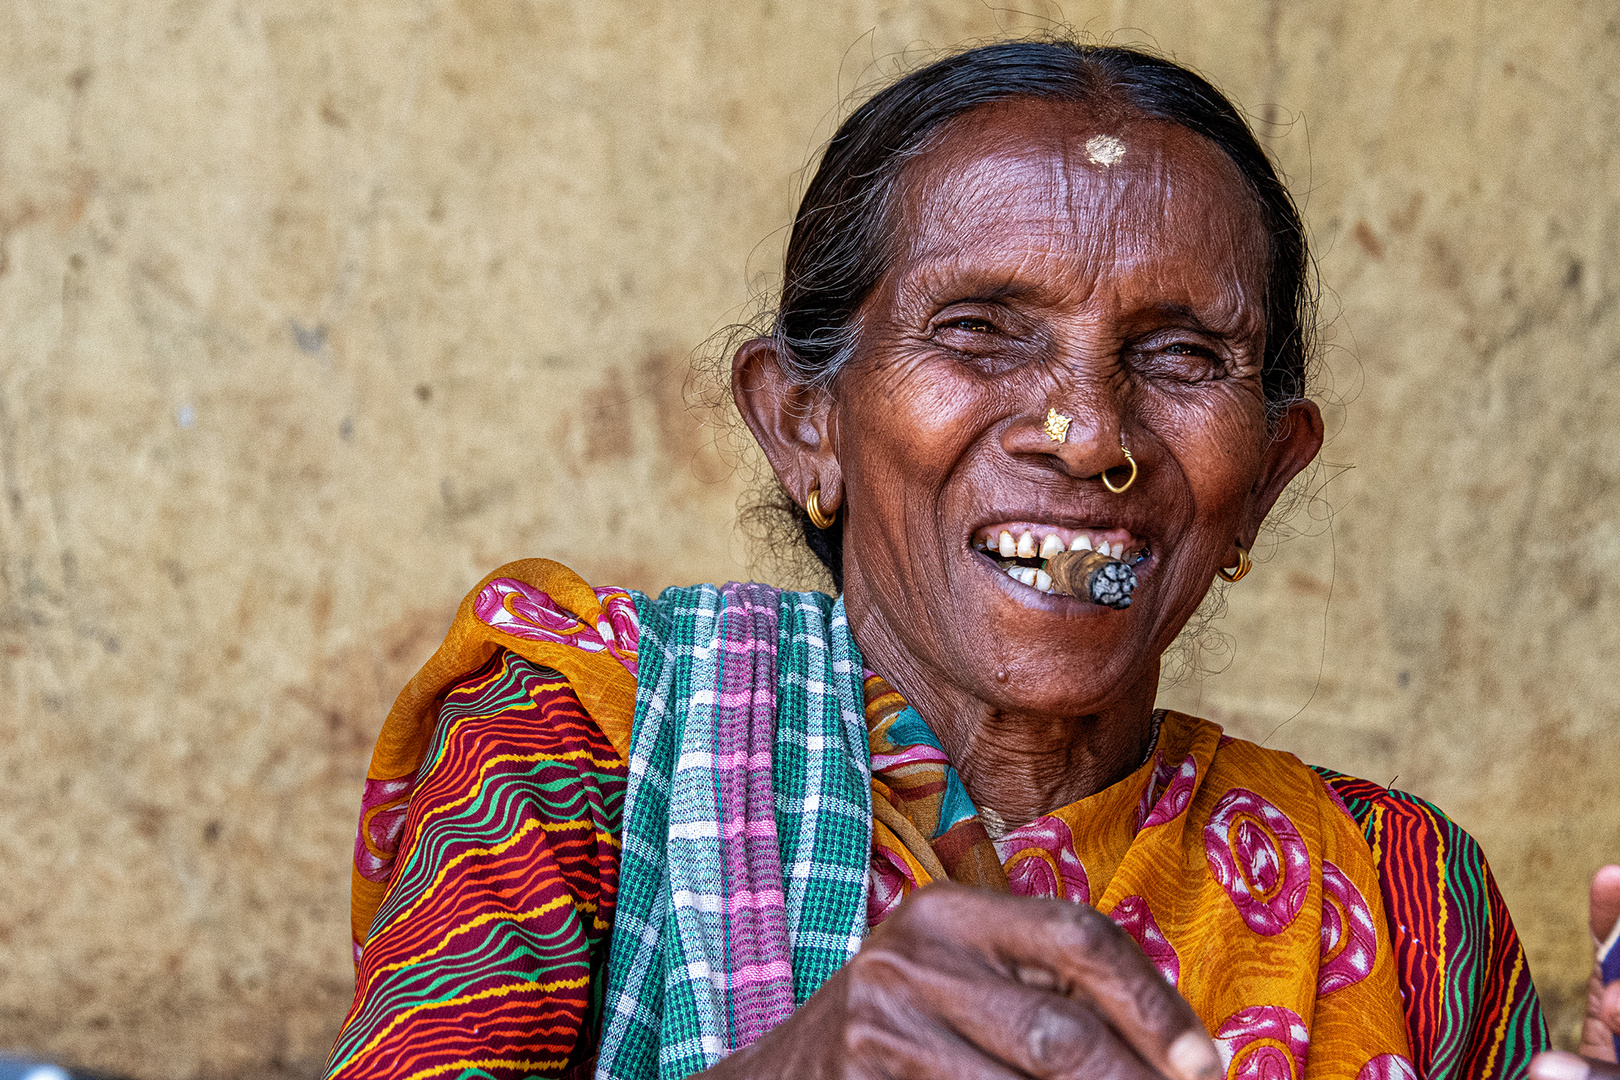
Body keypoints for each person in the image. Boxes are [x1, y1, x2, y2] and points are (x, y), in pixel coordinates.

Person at [322, 40, 1619, 1080]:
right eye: (982, 332)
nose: (1089, 434)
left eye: (1182, 357)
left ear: (1268, 478)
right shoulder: (588, 747)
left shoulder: (1397, 900)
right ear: (802, 421)